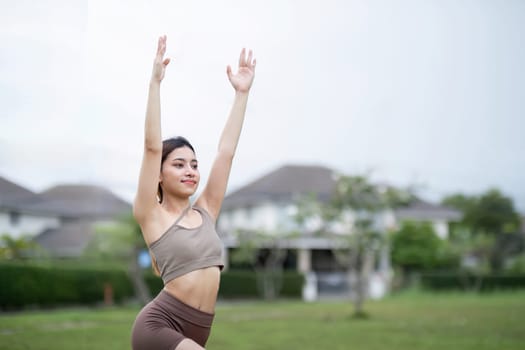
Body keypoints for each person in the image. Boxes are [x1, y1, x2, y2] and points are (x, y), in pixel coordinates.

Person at [131, 35, 256, 350]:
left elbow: (225, 153)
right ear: (159, 175)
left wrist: (242, 94)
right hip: (160, 325)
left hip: (198, 330)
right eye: (178, 164)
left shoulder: (206, 211)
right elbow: (150, 148)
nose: (190, 170)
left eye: (194, 165)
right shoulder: (151, 215)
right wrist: (155, 83)